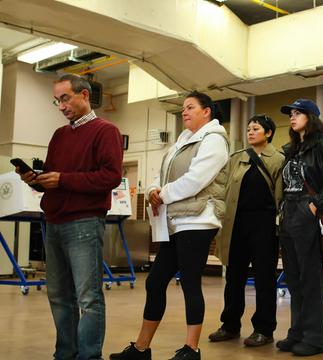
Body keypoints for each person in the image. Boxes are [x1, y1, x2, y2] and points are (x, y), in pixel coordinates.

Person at [110, 91, 229, 360]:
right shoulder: (182, 141)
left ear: (207, 111)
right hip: (176, 220)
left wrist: (161, 194)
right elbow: (159, 173)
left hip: (199, 220)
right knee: (155, 282)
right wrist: (153, 189)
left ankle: (191, 350)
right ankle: (141, 349)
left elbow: (196, 179)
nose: (184, 112)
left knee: (189, 281)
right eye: (183, 108)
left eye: (190, 107)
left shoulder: (215, 140)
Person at [15, 74, 123, 360]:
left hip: (84, 223)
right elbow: (54, 178)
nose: (61, 106)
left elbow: (110, 177)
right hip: (55, 222)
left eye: (65, 98)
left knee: (88, 298)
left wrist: (62, 180)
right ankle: (66, 353)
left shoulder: (105, 131)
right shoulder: (60, 136)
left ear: (84, 95)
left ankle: (89, 356)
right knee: (59, 296)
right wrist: (33, 180)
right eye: (57, 100)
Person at [275, 99, 323, 357]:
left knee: (310, 278)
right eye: (291, 114)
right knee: (293, 278)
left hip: (308, 211)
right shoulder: (292, 149)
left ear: (311, 117)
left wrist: (315, 205)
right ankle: (298, 332)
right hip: (289, 213)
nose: (292, 118)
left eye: (298, 113)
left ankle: (316, 339)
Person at [208, 114, 285, 346]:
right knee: (233, 277)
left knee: (264, 279)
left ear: (268, 133)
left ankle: (264, 329)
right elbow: (222, 187)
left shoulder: (278, 159)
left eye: (256, 129)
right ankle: (230, 325)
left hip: (265, 224)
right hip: (236, 223)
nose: (250, 132)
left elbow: (281, 197)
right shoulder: (236, 158)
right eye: (249, 129)